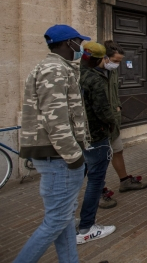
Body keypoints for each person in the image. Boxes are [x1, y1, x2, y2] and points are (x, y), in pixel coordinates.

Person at [15, 25, 91, 263]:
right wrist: (75, 156)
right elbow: (55, 118)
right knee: (56, 221)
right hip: (59, 158)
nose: (82, 47)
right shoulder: (55, 70)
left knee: (64, 218)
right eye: (79, 42)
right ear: (69, 43)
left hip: (57, 156)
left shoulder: (56, 68)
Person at [77, 42, 118, 244]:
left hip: (79, 136)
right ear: (100, 59)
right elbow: (102, 110)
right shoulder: (94, 78)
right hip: (96, 135)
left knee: (77, 179)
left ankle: (68, 221)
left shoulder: (74, 74)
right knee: (95, 181)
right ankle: (86, 226)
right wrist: (112, 122)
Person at [103, 40, 147, 200]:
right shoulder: (93, 73)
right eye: (115, 61)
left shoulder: (112, 72)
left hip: (113, 120)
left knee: (118, 150)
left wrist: (118, 107)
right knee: (99, 158)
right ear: (104, 58)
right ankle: (99, 191)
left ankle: (124, 181)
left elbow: (114, 91)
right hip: (99, 122)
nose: (117, 65)